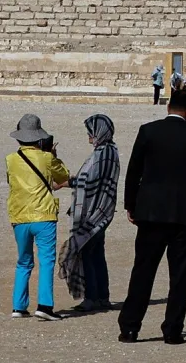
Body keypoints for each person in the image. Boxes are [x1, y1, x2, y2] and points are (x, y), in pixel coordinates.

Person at [117, 87, 186, 345]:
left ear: (168, 106)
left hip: (151, 212)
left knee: (143, 271)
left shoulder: (148, 131)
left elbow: (133, 170)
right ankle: (172, 329)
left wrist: (131, 205)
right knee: (180, 275)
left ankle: (130, 327)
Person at [6, 113, 71, 320]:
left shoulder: (11, 160)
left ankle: (18, 306)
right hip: (43, 215)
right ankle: (44, 305)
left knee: (23, 262)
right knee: (46, 261)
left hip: (19, 216)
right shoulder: (47, 157)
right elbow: (63, 176)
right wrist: (53, 155)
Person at [63, 114, 120, 313]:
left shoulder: (101, 155)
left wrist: (67, 182)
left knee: (87, 253)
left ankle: (91, 297)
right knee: (97, 254)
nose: (88, 136)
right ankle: (103, 296)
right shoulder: (112, 151)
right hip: (103, 210)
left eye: (91, 132)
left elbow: (88, 181)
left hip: (92, 212)